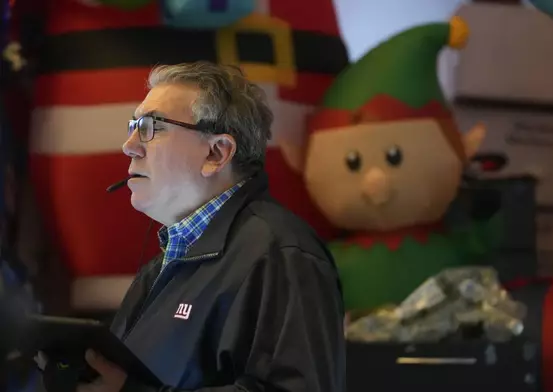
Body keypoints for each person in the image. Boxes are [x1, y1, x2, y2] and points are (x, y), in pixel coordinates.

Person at [39, 61, 346, 392]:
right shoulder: (160, 268)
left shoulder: (282, 255)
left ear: (216, 153)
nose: (129, 145)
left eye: (151, 127)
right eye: (133, 125)